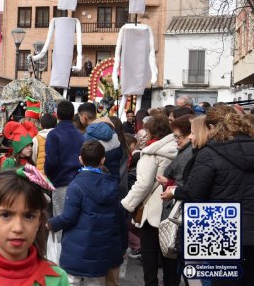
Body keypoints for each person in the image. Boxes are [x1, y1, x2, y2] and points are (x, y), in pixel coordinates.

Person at [162, 107, 254, 286]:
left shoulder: (209, 153)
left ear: (212, 127)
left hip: (219, 227)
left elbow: (194, 193)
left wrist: (174, 192)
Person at [49, 141, 126, 286]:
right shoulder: (111, 186)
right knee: (95, 282)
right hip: (99, 251)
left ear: (80, 159)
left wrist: (51, 223)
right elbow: (119, 217)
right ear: (103, 159)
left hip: (76, 249)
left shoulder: (76, 185)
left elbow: (68, 217)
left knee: (72, 281)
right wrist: (123, 245)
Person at [121, 114, 179, 286]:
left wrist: (126, 205)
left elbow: (143, 184)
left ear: (151, 132)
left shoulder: (151, 152)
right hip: (173, 207)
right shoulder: (177, 148)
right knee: (170, 252)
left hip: (153, 210)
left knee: (150, 255)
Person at [45, 100, 84, 234]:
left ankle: (62, 254)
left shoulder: (54, 134)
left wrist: (49, 175)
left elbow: (51, 161)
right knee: (76, 221)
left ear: (57, 115)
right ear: (73, 115)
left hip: (61, 182)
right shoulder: (80, 135)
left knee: (60, 223)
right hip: (78, 182)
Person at [79, 103, 123, 184]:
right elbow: (120, 153)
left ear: (84, 117)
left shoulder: (86, 138)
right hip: (114, 181)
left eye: (80, 117)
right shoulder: (112, 130)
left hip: (96, 183)